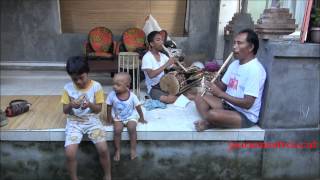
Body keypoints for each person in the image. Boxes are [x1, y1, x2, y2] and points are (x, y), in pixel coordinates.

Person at [194, 29, 266, 131]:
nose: (234, 47)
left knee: (213, 114)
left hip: (244, 114)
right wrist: (214, 80)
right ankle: (211, 122)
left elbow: (247, 104)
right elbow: (222, 87)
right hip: (228, 105)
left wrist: (220, 94)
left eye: (239, 43)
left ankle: (211, 122)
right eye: (234, 43)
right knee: (198, 98)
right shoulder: (234, 64)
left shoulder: (255, 70)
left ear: (251, 47)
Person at [61, 56, 111, 180]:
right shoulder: (67, 88)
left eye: (81, 77)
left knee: (103, 149)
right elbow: (65, 110)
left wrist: (89, 104)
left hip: (92, 119)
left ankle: (107, 175)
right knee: (69, 153)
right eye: (74, 79)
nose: (78, 82)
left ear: (87, 72)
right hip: (74, 121)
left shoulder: (96, 86)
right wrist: (71, 105)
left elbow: (98, 109)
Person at [106, 72, 147, 161]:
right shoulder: (112, 95)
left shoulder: (132, 96)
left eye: (118, 85)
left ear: (127, 86)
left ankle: (133, 149)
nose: (114, 87)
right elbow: (108, 107)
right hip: (118, 117)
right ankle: (117, 150)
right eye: (113, 84)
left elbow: (138, 107)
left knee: (132, 128)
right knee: (117, 130)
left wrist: (142, 118)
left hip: (130, 116)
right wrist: (109, 119)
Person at [141, 31, 178, 104]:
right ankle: (178, 97)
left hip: (165, 85)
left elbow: (173, 66)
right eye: (158, 40)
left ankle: (177, 96)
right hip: (154, 88)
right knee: (168, 100)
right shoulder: (147, 57)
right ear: (152, 43)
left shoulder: (163, 56)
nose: (161, 42)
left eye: (162, 40)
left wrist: (179, 64)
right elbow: (151, 75)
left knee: (181, 90)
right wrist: (166, 64)